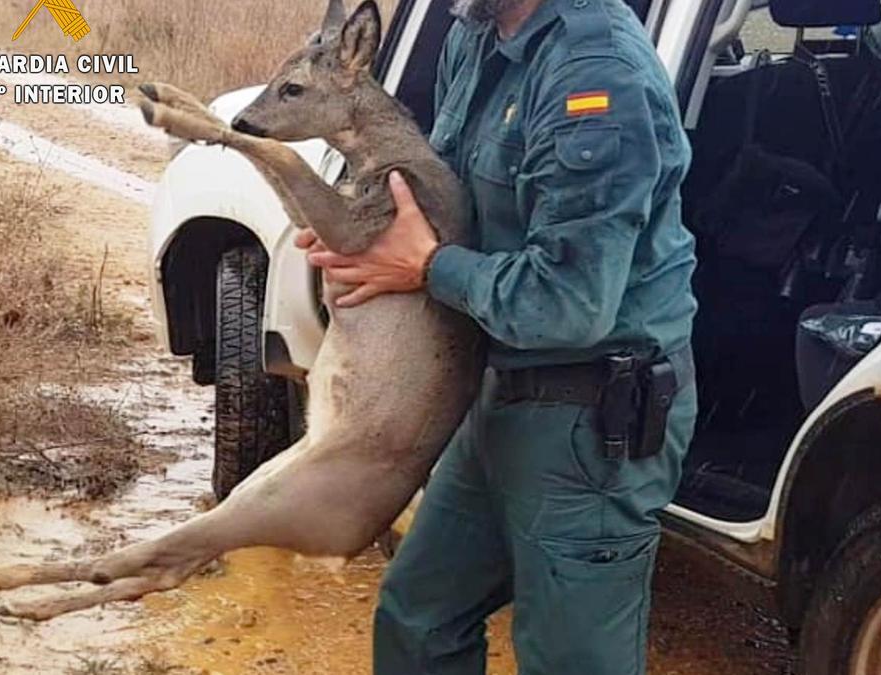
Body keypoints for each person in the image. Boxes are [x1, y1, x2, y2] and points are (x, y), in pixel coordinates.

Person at [299, 0, 698, 671]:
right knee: (418, 619)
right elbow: (450, 199)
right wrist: (365, 238)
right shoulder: (476, 36)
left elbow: (572, 303)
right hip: (497, 390)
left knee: (569, 658)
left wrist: (426, 265)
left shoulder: (596, 77)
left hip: (589, 416)